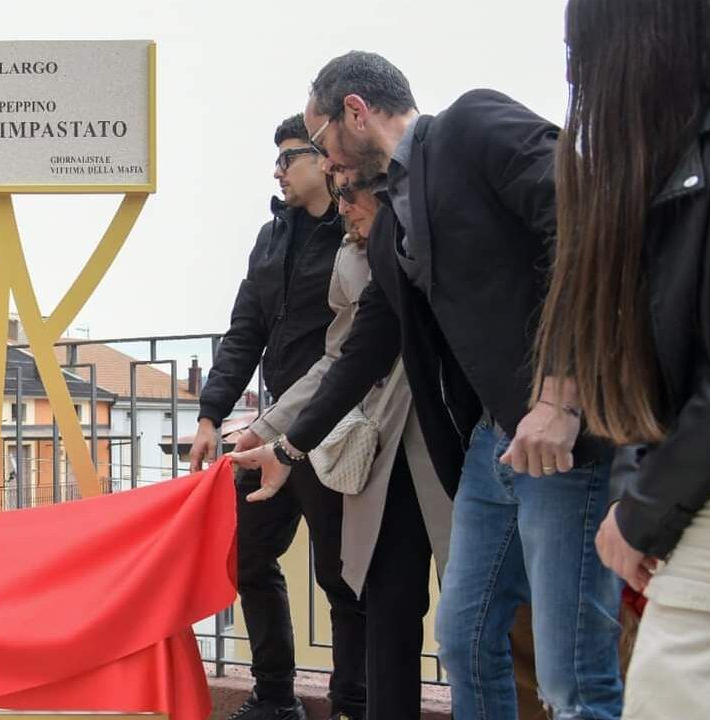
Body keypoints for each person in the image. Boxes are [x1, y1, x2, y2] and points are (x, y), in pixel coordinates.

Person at [271, 52, 623, 718]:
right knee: (462, 640)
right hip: (494, 444)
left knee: (570, 673)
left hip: (563, 437)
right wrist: (287, 446)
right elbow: (364, 346)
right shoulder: (391, 224)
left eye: (322, 147)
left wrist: (558, 393)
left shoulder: (470, 124)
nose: (327, 166)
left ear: (355, 111)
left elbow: (585, 218)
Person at [534, 2, 710, 717]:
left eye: (583, 53)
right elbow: (670, 369)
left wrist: (643, 508)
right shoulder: (704, 143)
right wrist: (639, 497)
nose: (581, 80)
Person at [231, 171, 452, 720]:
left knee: (471, 624)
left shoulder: (431, 228)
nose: (342, 203)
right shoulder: (347, 256)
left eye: (348, 190)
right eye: (338, 190)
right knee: (387, 607)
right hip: (364, 449)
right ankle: (330, 703)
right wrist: (272, 430)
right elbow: (342, 356)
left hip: (455, 445)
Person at [188, 115, 361, 720]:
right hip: (269, 436)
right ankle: (275, 698)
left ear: (323, 160)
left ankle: (350, 705)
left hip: (339, 430)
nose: (278, 170)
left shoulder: (354, 228)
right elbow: (245, 332)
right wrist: (212, 415)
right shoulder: (269, 237)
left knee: (341, 578)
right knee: (250, 558)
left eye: (289, 158)